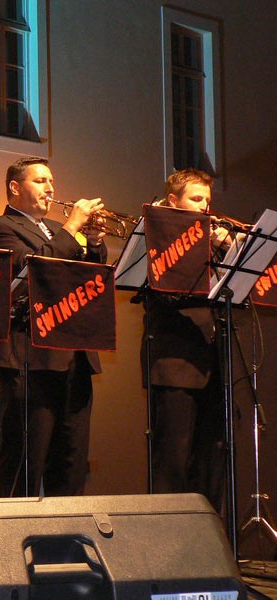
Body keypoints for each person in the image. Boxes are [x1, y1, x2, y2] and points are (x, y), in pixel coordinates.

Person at [0, 156, 107, 498]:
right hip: (30, 358)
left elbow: (90, 281)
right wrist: (72, 227)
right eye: (40, 180)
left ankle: (68, 529)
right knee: (25, 463)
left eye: (51, 181)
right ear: (15, 187)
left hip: (74, 356)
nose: (50, 188)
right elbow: (30, 271)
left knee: (72, 463)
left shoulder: (59, 231)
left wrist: (94, 245)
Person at [140, 168, 230, 509]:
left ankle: (208, 531)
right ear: (173, 201)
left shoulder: (209, 244)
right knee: (172, 460)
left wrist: (226, 253)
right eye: (196, 198)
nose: (204, 205)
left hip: (211, 363)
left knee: (211, 458)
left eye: (207, 199)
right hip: (174, 364)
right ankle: (167, 535)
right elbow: (166, 296)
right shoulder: (157, 238)